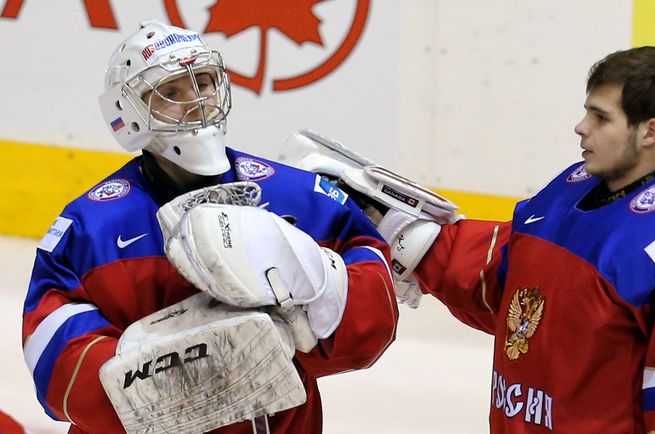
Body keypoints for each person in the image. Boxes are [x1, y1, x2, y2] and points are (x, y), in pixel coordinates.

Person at [282, 46, 655, 432]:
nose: (581, 127)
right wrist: (406, 233)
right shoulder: (572, 187)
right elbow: (510, 280)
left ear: (650, 132)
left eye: (601, 117)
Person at [22, 20, 398, 434]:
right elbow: (51, 352)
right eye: (171, 91)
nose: (196, 102)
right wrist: (159, 386)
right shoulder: (91, 226)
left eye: (202, 83)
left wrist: (323, 291)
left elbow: (372, 312)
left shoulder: (297, 197)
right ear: (129, 114)